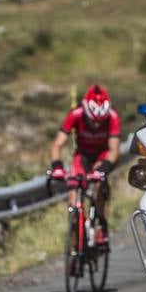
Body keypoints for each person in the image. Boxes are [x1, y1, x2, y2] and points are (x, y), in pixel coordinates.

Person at [49, 84, 121, 247]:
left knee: (99, 186)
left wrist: (103, 169)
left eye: (99, 123)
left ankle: (101, 225)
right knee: (74, 193)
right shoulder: (76, 114)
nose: (95, 126)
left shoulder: (113, 117)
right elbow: (57, 145)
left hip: (102, 156)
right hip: (82, 156)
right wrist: (57, 166)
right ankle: (77, 237)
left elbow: (114, 150)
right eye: (91, 122)